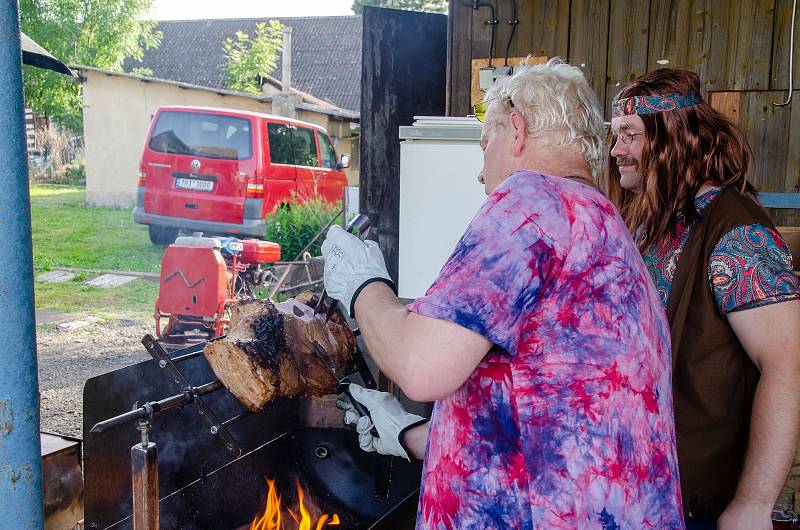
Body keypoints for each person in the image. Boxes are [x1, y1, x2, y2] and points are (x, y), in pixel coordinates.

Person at [322, 59, 685, 529]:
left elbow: (420, 366)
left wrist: (362, 283)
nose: (480, 175)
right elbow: (550, 429)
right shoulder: (605, 228)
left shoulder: (532, 201)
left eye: (484, 146)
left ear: (517, 130)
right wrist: (410, 432)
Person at [605, 68, 800, 530]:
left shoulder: (738, 233)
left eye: (629, 136)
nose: (616, 151)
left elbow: (787, 367)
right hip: (643, 485)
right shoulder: (656, 219)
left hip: (698, 499)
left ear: (674, 137)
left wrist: (753, 504)